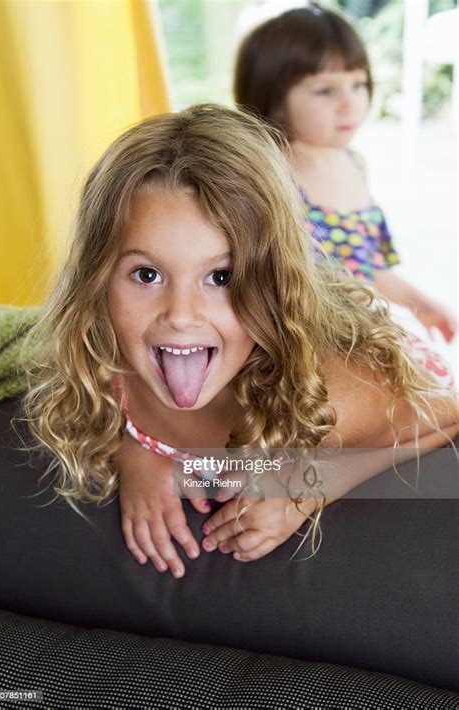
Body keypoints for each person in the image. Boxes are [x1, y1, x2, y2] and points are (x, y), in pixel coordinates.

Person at [22, 105, 458, 582]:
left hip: (392, 354)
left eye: (221, 276)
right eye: (146, 274)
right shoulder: (106, 363)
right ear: (97, 281)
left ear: (270, 285)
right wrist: (137, 452)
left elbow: (444, 414)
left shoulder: (326, 396)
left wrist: (307, 487)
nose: (182, 315)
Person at [233, 3, 457, 343]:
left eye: (358, 84)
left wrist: (421, 304)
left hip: (362, 332)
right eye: (326, 90)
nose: (350, 103)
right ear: (272, 96)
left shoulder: (353, 162)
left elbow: (368, 267)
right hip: (307, 344)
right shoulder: (271, 174)